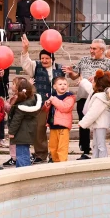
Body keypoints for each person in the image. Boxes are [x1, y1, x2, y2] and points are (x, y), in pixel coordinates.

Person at [65, 39, 110, 160]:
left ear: (101, 50)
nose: (91, 50)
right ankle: (85, 150)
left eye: (94, 48)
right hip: (83, 97)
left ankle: (100, 153)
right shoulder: (84, 60)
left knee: (97, 125)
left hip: (99, 98)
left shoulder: (108, 62)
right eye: (90, 48)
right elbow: (75, 75)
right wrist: (71, 73)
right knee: (84, 123)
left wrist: (98, 77)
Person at [20, 34, 64, 164]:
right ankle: (40, 154)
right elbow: (25, 63)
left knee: (56, 131)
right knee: (39, 129)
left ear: (52, 59)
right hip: (41, 104)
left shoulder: (60, 68)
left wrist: (72, 73)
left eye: (47, 58)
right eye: (42, 58)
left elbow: (70, 78)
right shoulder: (36, 66)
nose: (44, 60)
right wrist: (25, 49)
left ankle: (55, 154)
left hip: (57, 105)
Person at [78, 69, 110, 159]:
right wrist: (82, 81)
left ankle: (103, 160)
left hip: (100, 123)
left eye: (93, 81)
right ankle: (96, 159)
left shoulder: (99, 98)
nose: (92, 83)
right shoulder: (99, 94)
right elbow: (88, 87)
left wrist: (83, 123)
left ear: (98, 84)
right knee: (96, 143)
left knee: (100, 144)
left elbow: (93, 113)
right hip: (98, 123)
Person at [6, 77, 41, 168]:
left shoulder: (21, 106)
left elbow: (16, 120)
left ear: (19, 88)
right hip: (27, 131)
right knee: (23, 152)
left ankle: (24, 173)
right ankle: (21, 170)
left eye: (14, 84)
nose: (12, 85)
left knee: (21, 154)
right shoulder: (30, 101)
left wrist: (11, 132)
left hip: (21, 132)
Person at [45, 77, 76, 162]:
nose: (63, 86)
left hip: (63, 126)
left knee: (62, 148)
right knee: (53, 147)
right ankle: (56, 163)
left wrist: (53, 100)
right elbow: (46, 110)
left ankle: (63, 165)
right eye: (60, 84)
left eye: (65, 84)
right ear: (54, 87)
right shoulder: (53, 97)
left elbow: (65, 107)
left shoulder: (69, 97)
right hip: (53, 126)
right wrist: (47, 104)